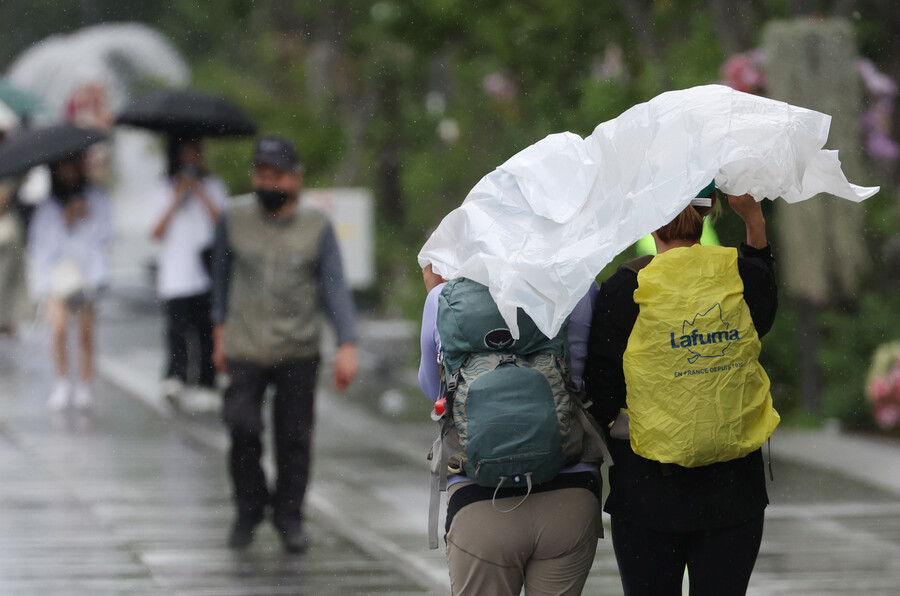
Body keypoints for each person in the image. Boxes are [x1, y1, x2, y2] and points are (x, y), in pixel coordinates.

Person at [583, 185, 779, 596]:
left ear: (649, 220)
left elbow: (600, 391)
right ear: (709, 213)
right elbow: (763, 312)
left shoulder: (624, 290)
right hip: (733, 492)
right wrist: (754, 222)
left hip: (647, 494)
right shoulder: (740, 276)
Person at [211, 135, 359, 553]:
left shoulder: (317, 226)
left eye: (276, 175)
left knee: (294, 438)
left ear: (296, 178)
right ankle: (249, 506)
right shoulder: (234, 218)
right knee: (241, 426)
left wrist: (347, 343)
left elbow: (334, 289)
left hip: (298, 348)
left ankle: (289, 516)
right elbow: (219, 280)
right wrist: (218, 333)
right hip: (245, 346)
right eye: (260, 173)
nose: (267, 182)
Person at [418, 264, 604, 595]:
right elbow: (600, 377)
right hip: (569, 493)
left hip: (480, 498)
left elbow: (435, 392)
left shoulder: (443, 299)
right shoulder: (580, 287)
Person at [27, 153, 114, 410]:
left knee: (86, 333)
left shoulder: (96, 197)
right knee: (59, 330)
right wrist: (65, 220)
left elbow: (107, 234)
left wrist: (86, 216)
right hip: (58, 277)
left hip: (88, 275)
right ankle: (62, 382)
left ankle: (85, 385)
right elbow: (40, 245)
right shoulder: (47, 205)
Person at [148, 137, 227, 408]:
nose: (192, 160)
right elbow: (155, 232)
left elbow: (223, 225)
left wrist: (200, 192)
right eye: (186, 155)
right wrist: (177, 198)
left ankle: (207, 380)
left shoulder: (213, 186)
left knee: (206, 330)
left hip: (205, 271)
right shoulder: (163, 189)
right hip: (175, 272)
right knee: (177, 329)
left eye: (196, 154)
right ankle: (176, 377)